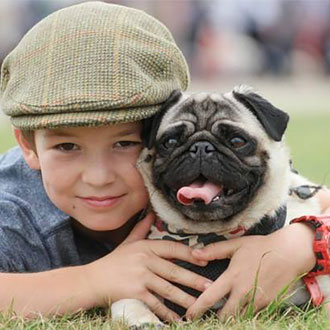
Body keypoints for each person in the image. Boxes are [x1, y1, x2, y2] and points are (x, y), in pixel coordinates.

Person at [0, 0, 330, 323]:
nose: (98, 176)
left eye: (124, 143)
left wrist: (301, 244)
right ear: (28, 145)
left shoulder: (205, 176)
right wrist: (95, 281)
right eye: (67, 146)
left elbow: (317, 199)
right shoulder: (16, 207)